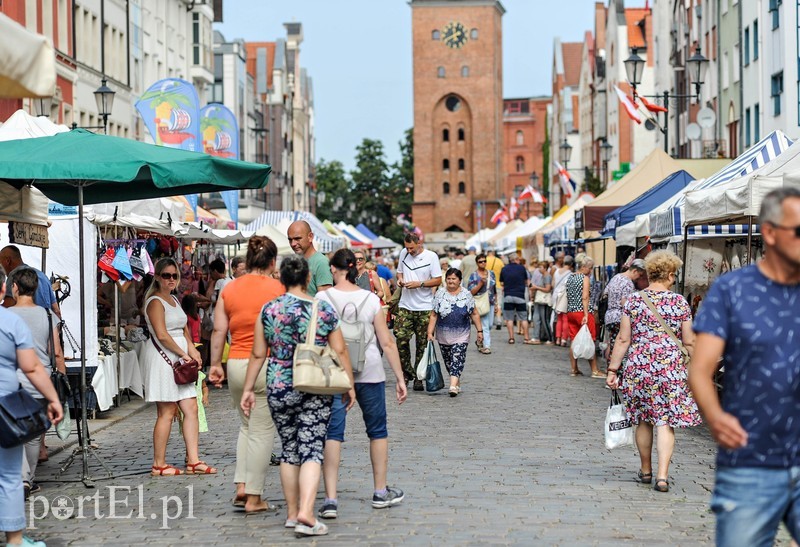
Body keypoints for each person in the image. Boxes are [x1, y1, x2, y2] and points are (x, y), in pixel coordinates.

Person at [689, 188, 800, 545]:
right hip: (751, 460)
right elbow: (700, 370)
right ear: (769, 232)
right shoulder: (732, 290)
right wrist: (716, 418)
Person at [240, 255, 355, 537]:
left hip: (279, 385)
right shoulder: (323, 309)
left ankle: (292, 514)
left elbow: (258, 353)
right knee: (312, 447)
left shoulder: (269, 310)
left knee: (289, 450)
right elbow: (340, 350)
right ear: (307, 279)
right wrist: (348, 384)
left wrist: (247, 388)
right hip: (314, 384)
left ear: (282, 280)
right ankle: (306, 511)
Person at [317, 249, 407, 520]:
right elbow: (387, 342)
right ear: (355, 268)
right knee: (377, 430)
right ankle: (380, 491)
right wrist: (400, 378)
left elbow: (315, 338)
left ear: (334, 268)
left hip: (333, 373)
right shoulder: (370, 299)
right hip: (369, 371)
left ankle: (330, 498)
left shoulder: (322, 298)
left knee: (333, 433)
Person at [606, 251, 700, 493]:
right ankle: (662, 476)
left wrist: (613, 369)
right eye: (674, 274)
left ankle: (646, 470)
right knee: (665, 422)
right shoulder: (679, 302)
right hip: (669, 368)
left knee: (644, 420)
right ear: (669, 275)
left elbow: (624, 339)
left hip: (639, 367)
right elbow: (689, 342)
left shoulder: (634, 301)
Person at [208, 236, 285, 513]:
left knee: (246, 426)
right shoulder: (278, 288)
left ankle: (241, 485)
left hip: (237, 363)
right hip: (266, 363)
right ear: (273, 262)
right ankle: (254, 496)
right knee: (262, 430)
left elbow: (218, 330)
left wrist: (215, 364)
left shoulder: (230, 288)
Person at [0, 272, 63, 547]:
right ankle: (14, 540)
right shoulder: (10, 321)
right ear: (3, 288)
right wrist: (54, 398)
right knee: (9, 475)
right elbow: (33, 366)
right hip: (5, 404)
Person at [141, 258, 214, 476]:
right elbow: (162, 334)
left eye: (174, 275)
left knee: (190, 408)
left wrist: (192, 350)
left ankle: (193, 459)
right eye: (166, 275)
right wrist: (183, 353)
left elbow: (183, 329)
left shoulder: (173, 299)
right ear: (157, 277)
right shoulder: (155, 301)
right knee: (166, 411)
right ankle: (159, 463)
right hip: (165, 359)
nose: (171, 279)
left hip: (181, 359)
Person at [8, 268, 66, 499]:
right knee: (32, 435)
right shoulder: (48, 316)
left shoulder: (6, 316)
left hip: (13, 381)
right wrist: (60, 383)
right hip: (40, 382)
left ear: (14, 287)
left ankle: (21, 479)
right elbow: (56, 352)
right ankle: (28, 480)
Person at [395, 233, 442, 391]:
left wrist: (420, 284)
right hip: (405, 305)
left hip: (425, 306)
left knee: (422, 344)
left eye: (412, 248)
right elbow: (399, 272)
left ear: (419, 243)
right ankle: (407, 371)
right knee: (400, 338)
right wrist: (400, 280)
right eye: (407, 247)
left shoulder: (431, 256)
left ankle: (418, 377)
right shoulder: (403, 253)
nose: (409, 251)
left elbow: (437, 279)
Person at [428, 268, 483, 396]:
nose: (451, 281)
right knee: (448, 361)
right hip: (443, 334)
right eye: (448, 279)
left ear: (459, 280)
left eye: (454, 279)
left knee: (457, 358)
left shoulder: (466, 294)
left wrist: (479, 331)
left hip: (462, 333)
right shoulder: (440, 293)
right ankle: (456, 380)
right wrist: (430, 332)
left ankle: (452, 386)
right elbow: (434, 315)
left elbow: (474, 313)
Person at [565, 255, 602, 377]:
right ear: (584, 267)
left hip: (571, 311)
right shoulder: (584, 278)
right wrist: (586, 314)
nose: (591, 271)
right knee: (589, 339)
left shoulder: (570, 277)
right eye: (590, 268)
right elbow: (585, 297)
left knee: (574, 340)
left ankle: (573, 369)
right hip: (582, 311)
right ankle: (594, 370)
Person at [602, 259, 646, 361]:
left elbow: (605, 293)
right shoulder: (628, 282)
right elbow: (624, 303)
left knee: (612, 344)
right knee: (619, 345)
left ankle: (610, 368)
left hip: (609, 316)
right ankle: (616, 371)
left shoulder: (616, 277)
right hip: (619, 317)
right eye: (640, 275)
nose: (639, 278)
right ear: (635, 271)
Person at [0, 245, 60, 317]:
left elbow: (8, 307)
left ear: (7, 261)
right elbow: (56, 310)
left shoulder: (15, 275)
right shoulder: (42, 276)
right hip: (45, 325)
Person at [287, 220, 333, 296]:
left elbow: (325, 301)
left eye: (297, 238)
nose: (293, 244)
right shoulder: (295, 262)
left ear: (310, 237)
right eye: (290, 240)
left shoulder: (321, 263)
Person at [467, 253, 499, 354]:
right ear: (477, 263)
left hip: (491, 302)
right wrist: (480, 284)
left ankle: (479, 341)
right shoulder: (474, 275)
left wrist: (497, 303)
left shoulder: (491, 273)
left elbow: (494, 290)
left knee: (489, 325)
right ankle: (487, 346)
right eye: (480, 262)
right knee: (485, 325)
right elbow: (471, 292)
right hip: (480, 303)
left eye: (484, 261)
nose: (483, 263)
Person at [499, 253, 530, 344]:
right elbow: (526, 281)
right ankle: (526, 338)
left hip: (508, 295)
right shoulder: (522, 268)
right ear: (516, 259)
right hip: (520, 295)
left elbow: (501, 283)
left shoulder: (504, 269)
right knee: (523, 318)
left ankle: (511, 338)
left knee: (509, 319)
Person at [551, 255, 574, 347]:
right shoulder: (571, 274)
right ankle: (563, 339)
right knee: (565, 318)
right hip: (565, 296)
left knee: (558, 318)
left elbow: (553, 284)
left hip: (556, 295)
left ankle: (557, 338)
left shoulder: (556, 271)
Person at [530, 261, 553, 345]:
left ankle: (550, 338)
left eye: (541, 267)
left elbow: (548, 289)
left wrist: (536, 287)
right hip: (539, 299)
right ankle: (539, 337)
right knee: (540, 318)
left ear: (545, 268)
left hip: (544, 300)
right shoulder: (542, 276)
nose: (539, 269)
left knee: (545, 319)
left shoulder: (547, 277)